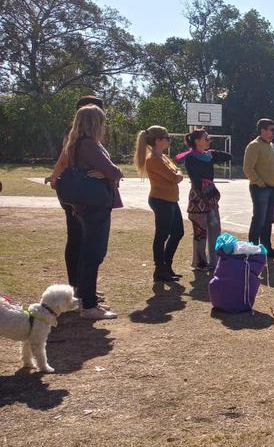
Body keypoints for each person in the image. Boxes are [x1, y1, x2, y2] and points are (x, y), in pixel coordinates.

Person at [60, 105, 122, 320]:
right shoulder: (89, 144)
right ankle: (89, 306)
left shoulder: (74, 143)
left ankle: (85, 298)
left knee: (88, 253)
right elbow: (113, 171)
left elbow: (106, 171)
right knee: (93, 254)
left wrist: (106, 173)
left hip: (85, 204)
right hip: (96, 205)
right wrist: (110, 173)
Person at [49, 95, 105, 297]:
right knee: (77, 238)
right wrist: (54, 176)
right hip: (77, 191)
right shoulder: (75, 134)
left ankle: (84, 286)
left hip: (81, 190)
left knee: (83, 239)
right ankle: (77, 286)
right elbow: (63, 159)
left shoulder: (88, 134)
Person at [134, 126, 185, 282]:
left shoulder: (163, 157)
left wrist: (178, 173)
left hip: (171, 200)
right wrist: (178, 174)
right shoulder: (153, 160)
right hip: (161, 200)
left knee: (178, 232)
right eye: (167, 137)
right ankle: (160, 269)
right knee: (162, 235)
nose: (169, 140)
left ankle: (166, 265)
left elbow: (177, 172)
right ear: (158, 140)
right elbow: (175, 177)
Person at [177, 130, 232, 272]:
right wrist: (205, 194)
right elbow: (196, 179)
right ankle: (199, 262)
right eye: (205, 138)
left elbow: (228, 156)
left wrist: (211, 153)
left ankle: (214, 261)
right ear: (197, 141)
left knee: (215, 228)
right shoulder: (191, 158)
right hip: (198, 197)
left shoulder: (208, 156)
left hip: (210, 195)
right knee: (200, 232)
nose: (209, 140)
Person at [244, 118, 274, 258]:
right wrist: (259, 182)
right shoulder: (254, 146)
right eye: (271, 129)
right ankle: (253, 249)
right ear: (263, 130)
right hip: (261, 188)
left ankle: (267, 248)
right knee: (259, 219)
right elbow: (247, 168)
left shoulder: (271, 145)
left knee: (269, 219)